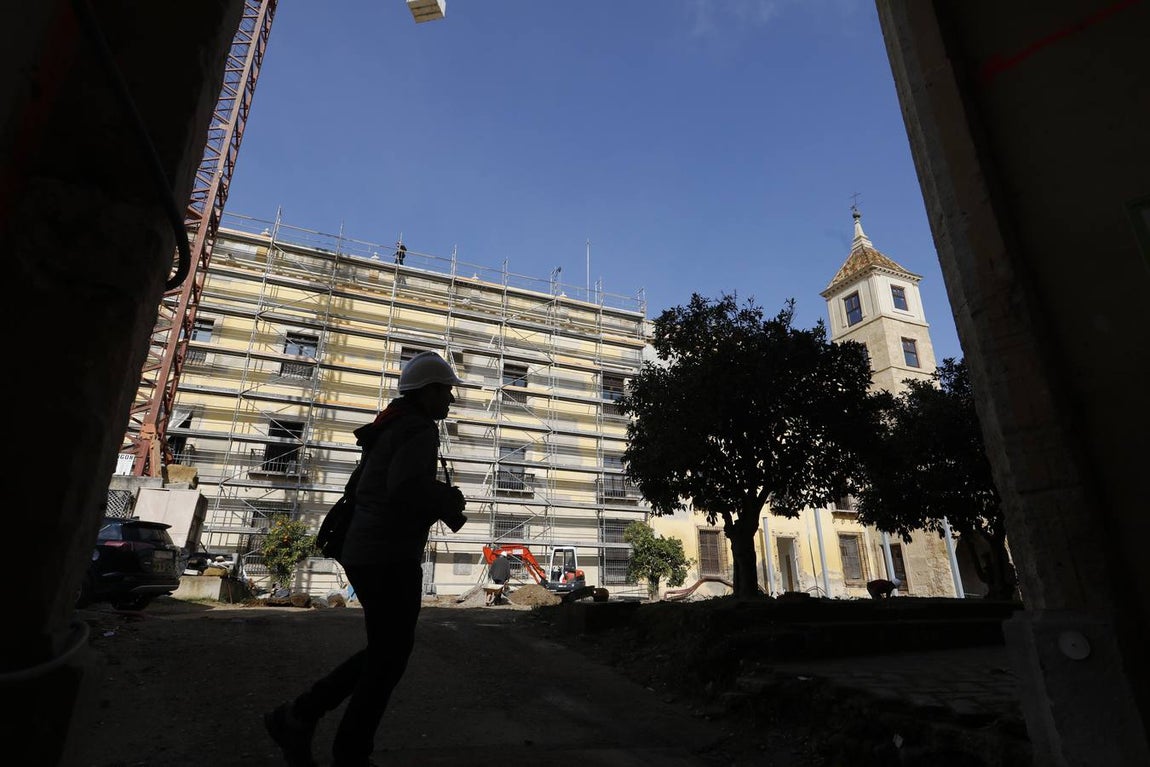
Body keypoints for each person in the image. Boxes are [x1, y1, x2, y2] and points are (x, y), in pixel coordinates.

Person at [264, 351, 468, 767]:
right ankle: (342, 746)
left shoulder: (391, 423)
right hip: (388, 553)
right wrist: (448, 498)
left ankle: (302, 718)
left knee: (385, 651)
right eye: (446, 392)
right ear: (427, 392)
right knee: (390, 656)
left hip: (367, 549)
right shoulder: (418, 428)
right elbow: (405, 488)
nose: (450, 400)